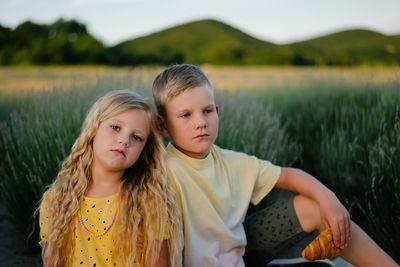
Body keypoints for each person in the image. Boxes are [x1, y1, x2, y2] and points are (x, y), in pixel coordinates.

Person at [151, 64, 399, 267]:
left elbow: (290, 176)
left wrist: (330, 199)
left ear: (217, 111)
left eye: (207, 111)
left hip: (238, 254)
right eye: (186, 115)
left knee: (315, 206)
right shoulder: (161, 171)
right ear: (163, 126)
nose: (200, 123)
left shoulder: (231, 161)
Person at [38, 90, 183, 267]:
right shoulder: (56, 201)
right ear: (93, 130)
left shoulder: (149, 203)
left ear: (144, 151)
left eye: (137, 137)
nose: (124, 140)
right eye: (115, 128)